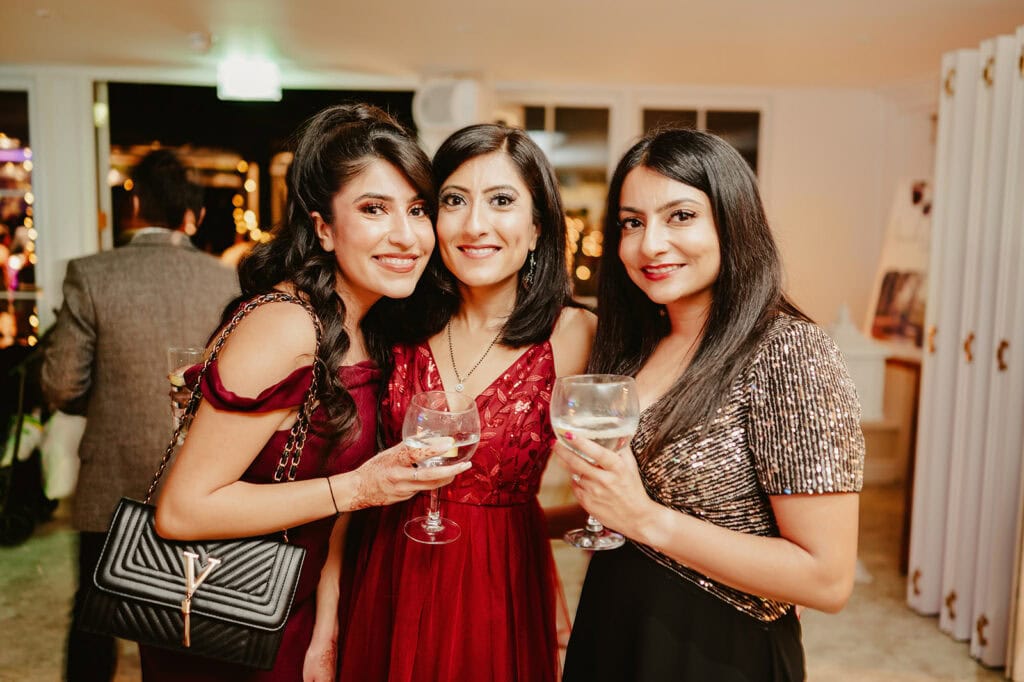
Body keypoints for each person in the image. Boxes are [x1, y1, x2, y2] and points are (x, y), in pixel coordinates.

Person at [141, 104, 469, 681]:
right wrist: (362, 487)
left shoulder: (365, 327)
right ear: (322, 227)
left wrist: (326, 621)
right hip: (232, 616)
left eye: (417, 210)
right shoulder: (286, 324)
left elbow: (333, 514)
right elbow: (181, 510)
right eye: (373, 209)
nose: (406, 235)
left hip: (295, 603)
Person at [555, 128, 866, 682]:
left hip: (714, 648)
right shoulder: (637, 346)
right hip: (614, 625)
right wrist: (516, 524)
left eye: (680, 216)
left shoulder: (788, 351)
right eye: (632, 222)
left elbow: (827, 579)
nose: (650, 244)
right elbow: (625, 503)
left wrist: (645, 520)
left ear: (732, 220)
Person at [329, 123, 596, 682]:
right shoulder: (392, 318)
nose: (475, 225)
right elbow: (345, 473)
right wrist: (327, 621)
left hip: (498, 583)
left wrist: (529, 526)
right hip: (386, 571)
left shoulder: (578, 334)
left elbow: (627, 474)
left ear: (538, 225)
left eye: (502, 201)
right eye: (454, 201)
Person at [40, 148, 240, 682]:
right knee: (193, 622)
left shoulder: (91, 273)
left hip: (113, 480)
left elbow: (60, 384)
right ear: (192, 217)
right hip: (205, 481)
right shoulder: (229, 284)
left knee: (93, 621)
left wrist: (104, 399)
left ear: (135, 210)